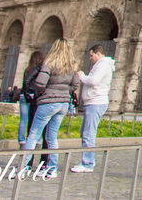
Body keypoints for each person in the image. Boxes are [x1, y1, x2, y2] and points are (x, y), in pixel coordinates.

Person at [22, 39, 80, 178]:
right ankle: (51, 168)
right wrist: (65, 93)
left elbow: (40, 82)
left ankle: (24, 167)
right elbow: (76, 84)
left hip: (48, 102)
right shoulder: (72, 67)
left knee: (34, 134)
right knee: (52, 137)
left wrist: (42, 93)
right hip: (63, 104)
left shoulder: (50, 64)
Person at [70, 44, 114, 173]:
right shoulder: (101, 65)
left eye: (91, 55)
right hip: (93, 102)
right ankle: (87, 161)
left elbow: (94, 81)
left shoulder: (103, 65)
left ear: (98, 54)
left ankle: (88, 163)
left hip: (96, 102)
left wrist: (82, 76)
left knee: (89, 133)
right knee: (85, 132)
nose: (91, 58)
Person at [17, 51, 44, 145]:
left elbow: (25, 82)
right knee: (36, 119)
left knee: (23, 119)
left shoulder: (27, 70)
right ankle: (35, 139)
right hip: (34, 95)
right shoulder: (41, 71)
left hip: (24, 95)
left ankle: (21, 140)